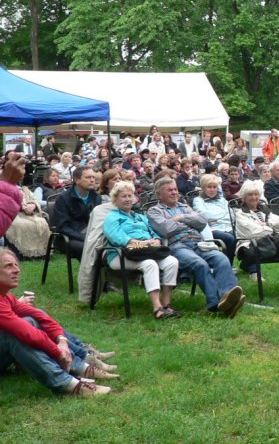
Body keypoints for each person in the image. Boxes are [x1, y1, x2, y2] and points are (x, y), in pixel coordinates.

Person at [0, 248, 117, 396]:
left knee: (35, 317)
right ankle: (70, 384)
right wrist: (58, 353)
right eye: (8, 266)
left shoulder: (6, 296)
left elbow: (41, 316)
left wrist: (62, 341)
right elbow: (28, 333)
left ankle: (82, 361)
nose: (16, 270)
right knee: (14, 334)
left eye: (16, 265)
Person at [147, 177, 245, 318]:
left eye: (175, 189)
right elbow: (166, 229)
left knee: (221, 258)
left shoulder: (184, 207)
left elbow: (201, 222)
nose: (175, 192)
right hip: (177, 246)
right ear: (159, 194)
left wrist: (180, 218)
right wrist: (189, 221)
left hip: (198, 243)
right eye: (170, 190)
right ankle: (215, 304)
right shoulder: (154, 211)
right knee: (200, 264)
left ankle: (228, 297)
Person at [103, 182, 180, 319]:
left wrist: (156, 240)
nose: (127, 199)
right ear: (115, 199)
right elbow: (116, 237)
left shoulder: (140, 217)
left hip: (146, 251)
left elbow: (154, 232)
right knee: (149, 264)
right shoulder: (112, 217)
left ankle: (166, 304)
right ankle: (157, 308)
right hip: (121, 254)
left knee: (172, 262)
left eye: (130, 196)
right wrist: (139, 243)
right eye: (123, 196)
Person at [53, 167, 102, 259]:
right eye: (88, 177)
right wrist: (83, 237)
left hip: (91, 234)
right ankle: (90, 273)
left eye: (93, 177)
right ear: (76, 180)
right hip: (69, 238)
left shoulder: (96, 197)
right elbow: (62, 227)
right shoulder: (63, 198)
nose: (92, 180)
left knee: (110, 246)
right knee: (89, 248)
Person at [192, 175, 236, 267]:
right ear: (203, 188)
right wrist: (223, 215)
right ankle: (226, 266)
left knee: (238, 235)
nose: (212, 190)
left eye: (214, 187)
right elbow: (204, 215)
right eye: (209, 187)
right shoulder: (198, 200)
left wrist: (217, 219)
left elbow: (232, 214)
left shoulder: (222, 199)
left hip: (227, 226)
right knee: (229, 238)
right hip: (212, 229)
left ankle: (246, 266)